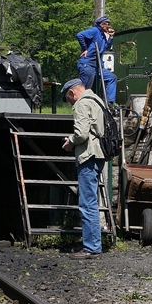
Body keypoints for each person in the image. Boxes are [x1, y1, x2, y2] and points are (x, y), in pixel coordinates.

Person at [60, 78, 106, 259]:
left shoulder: (82, 103)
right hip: (99, 155)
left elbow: (81, 134)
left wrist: (69, 142)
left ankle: (91, 248)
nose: (70, 102)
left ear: (72, 92)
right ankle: (93, 245)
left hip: (88, 156)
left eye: (68, 98)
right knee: (91, 202)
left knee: (87, 204)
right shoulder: (97, 100)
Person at [75, 15, 117, 103]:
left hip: (98, 66)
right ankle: (81, 105)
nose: (109, 27)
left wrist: (111, 37)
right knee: (86, 88)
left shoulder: (103, 36)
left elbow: (106, 48)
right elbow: (80, 35)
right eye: (108, 24)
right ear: (102, 25)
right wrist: (84, 48)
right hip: (88, 64)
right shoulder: (94, 31)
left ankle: (110, 102)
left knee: (112, 78)